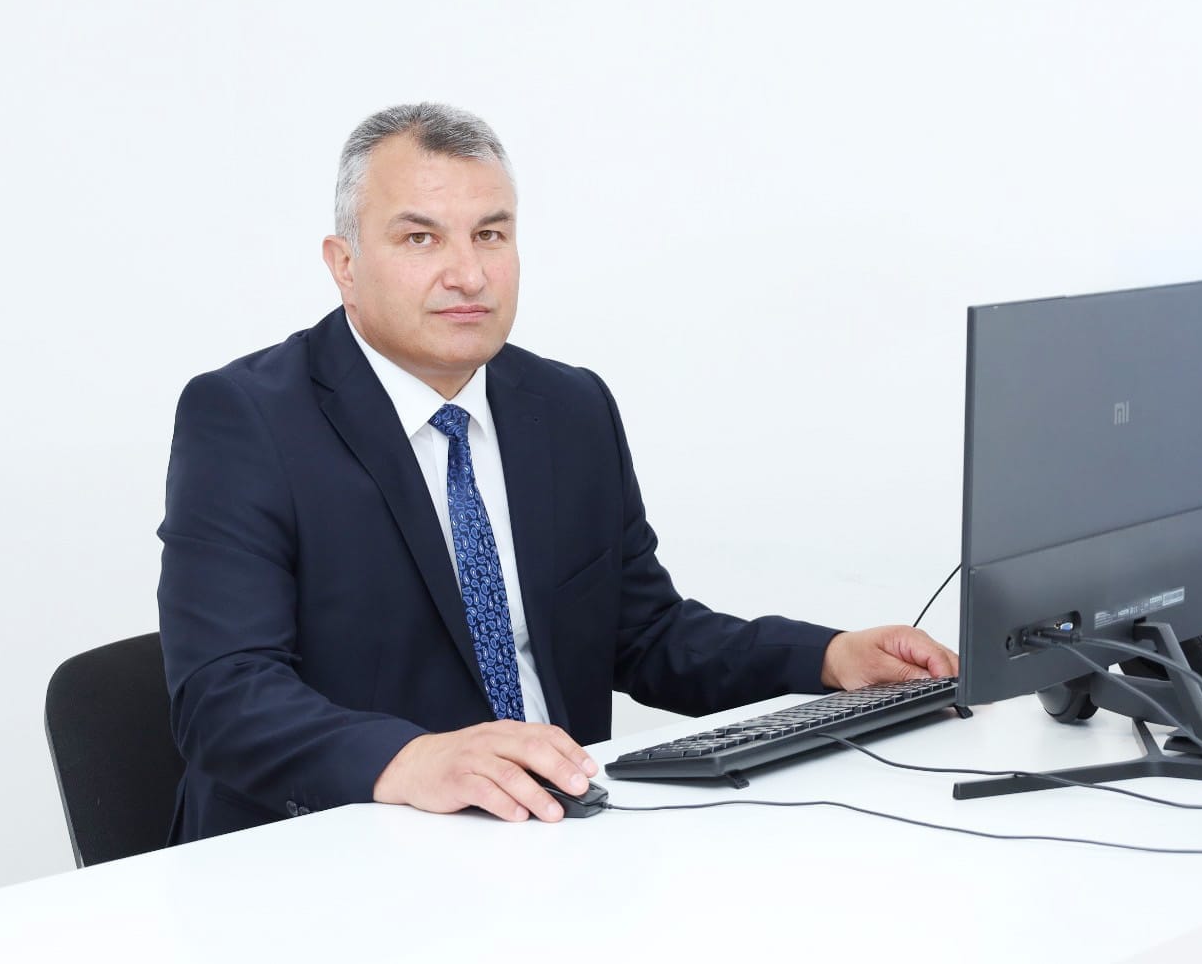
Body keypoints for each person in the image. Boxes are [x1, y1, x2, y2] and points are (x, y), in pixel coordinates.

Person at [157, 103, 958, 843]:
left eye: (490, 235)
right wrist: (413, 758)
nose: (468, 275)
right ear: (345, 264)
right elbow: (223, 697)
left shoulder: (567, 407)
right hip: (340, 849)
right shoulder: (248, 419)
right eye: (421, 239)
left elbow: (645, 635)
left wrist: (827, 658)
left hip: (559, 838)